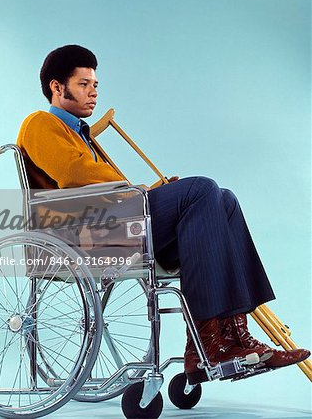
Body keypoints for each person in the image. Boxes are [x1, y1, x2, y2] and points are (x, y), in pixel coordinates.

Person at [17, 44, 310, 382]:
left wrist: (148, 191)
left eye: (95, 85)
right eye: (83, 84)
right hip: (86, 233)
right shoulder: (39, 123)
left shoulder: (79, 132)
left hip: (114, 223)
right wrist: (138, 190)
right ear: (57, 87)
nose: (93, 92)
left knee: (223, 201)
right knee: (202, 189)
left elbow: (102, 184)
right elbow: (74, 173)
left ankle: (232, 339)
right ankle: (210, 344)